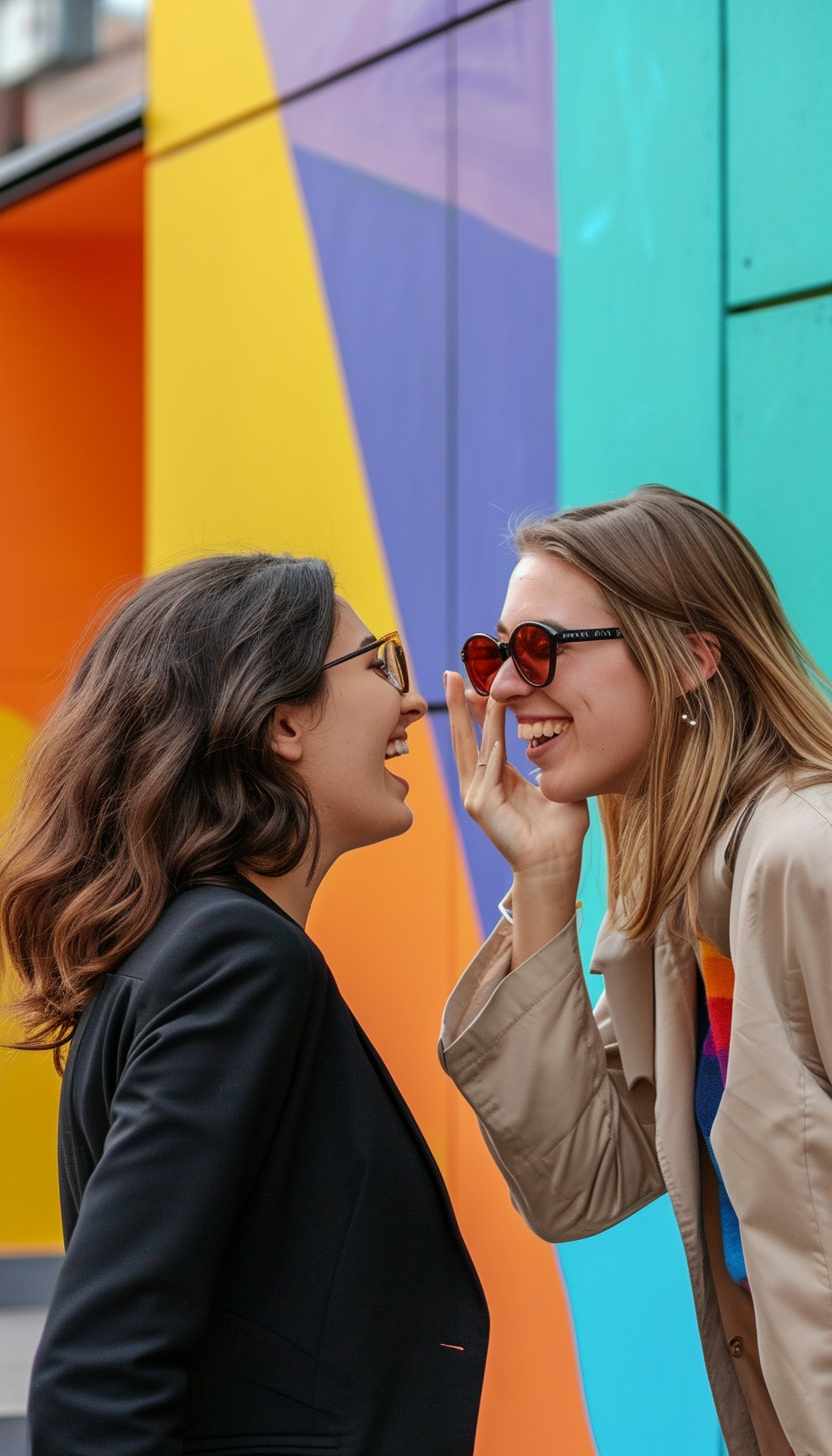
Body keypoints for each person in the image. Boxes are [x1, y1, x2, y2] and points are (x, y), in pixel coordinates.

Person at [0, 553, 488, 1456]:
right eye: (377, 663)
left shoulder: (182, 948)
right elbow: (99, 1377)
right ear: (283, 722)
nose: (409, 703)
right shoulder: (238, 958)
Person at [439, 485, 832, 1456]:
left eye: (539, 649)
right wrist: (540, 877)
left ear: (694, 657)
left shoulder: (804, 855)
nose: (499, 689)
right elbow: (577, 1178)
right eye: (493, 654)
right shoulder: (673, 913)